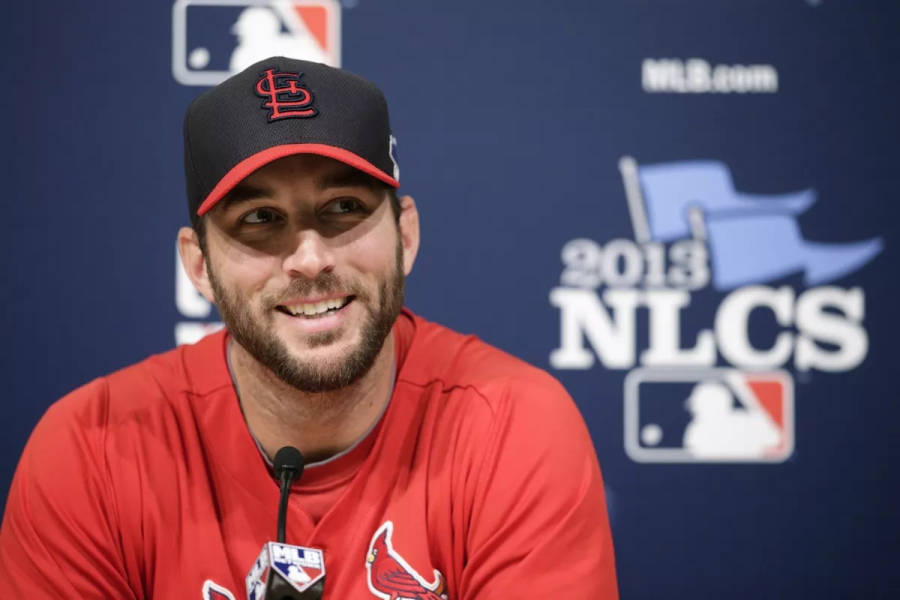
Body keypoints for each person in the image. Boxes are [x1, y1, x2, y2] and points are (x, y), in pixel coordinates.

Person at [0, 57, 618, 598]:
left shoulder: (512, 424)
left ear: (404, 236)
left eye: (343, 208)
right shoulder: (93, 448)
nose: (310, 258)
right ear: (199, 266)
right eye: (260, 218)